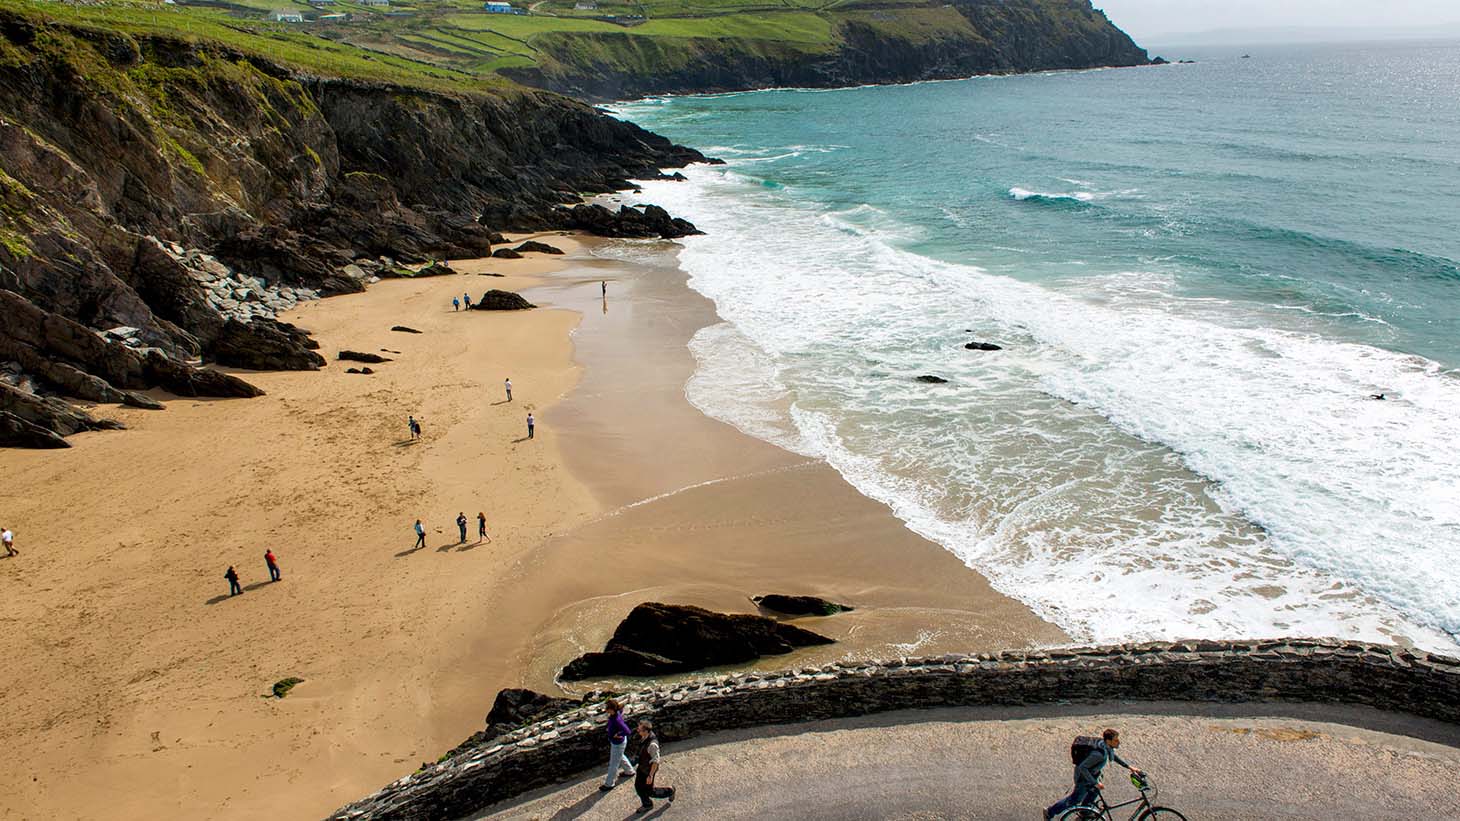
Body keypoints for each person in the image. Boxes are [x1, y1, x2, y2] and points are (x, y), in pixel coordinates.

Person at [1045, 728, 1141, 820]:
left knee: (1094, 791)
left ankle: (1085, 812)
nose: (1118, 742)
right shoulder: (1099, 755)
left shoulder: (1104, 746)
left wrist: (1128, 766)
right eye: (1115, 740)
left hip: (1093, 775)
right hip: (1084, 778)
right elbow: (1083, 767)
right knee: (1074, 799)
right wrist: (1095, 782)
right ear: (1108, 741)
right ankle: (1050, 812)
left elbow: (1113, 756)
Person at [632, 719, 674, 812]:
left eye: (639, 730)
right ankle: (647, 804)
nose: (637, 731)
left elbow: (655, 761)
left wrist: (650, 775)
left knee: (650, 791)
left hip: (648, 770)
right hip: (642, 767)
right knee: (639, 787)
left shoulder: (652, 745)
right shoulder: (645, 737)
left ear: (646, 731)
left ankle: (669, 791)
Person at [598, 699, 636, 791]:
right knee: (620, 756)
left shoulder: (617, 719)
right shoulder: (615, 714)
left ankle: (609, 784)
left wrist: (618, 734)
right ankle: (629, 771)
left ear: (612, 709)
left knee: (613, 764)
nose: (606, 710)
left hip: (618, 744)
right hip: (617, 743)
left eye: (607, 708)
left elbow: (627, 731)